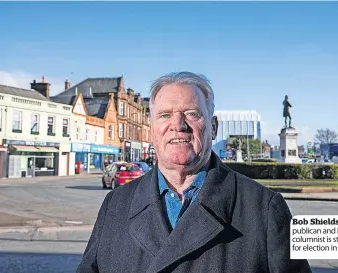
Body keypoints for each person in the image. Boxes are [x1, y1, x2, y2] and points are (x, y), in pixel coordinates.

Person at [77, 72, 311, 273]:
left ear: (213, 128)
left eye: (191, 113)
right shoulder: (115, 204)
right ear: (152, 130)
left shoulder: (265, 208)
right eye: (165, 115)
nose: (178, 124)